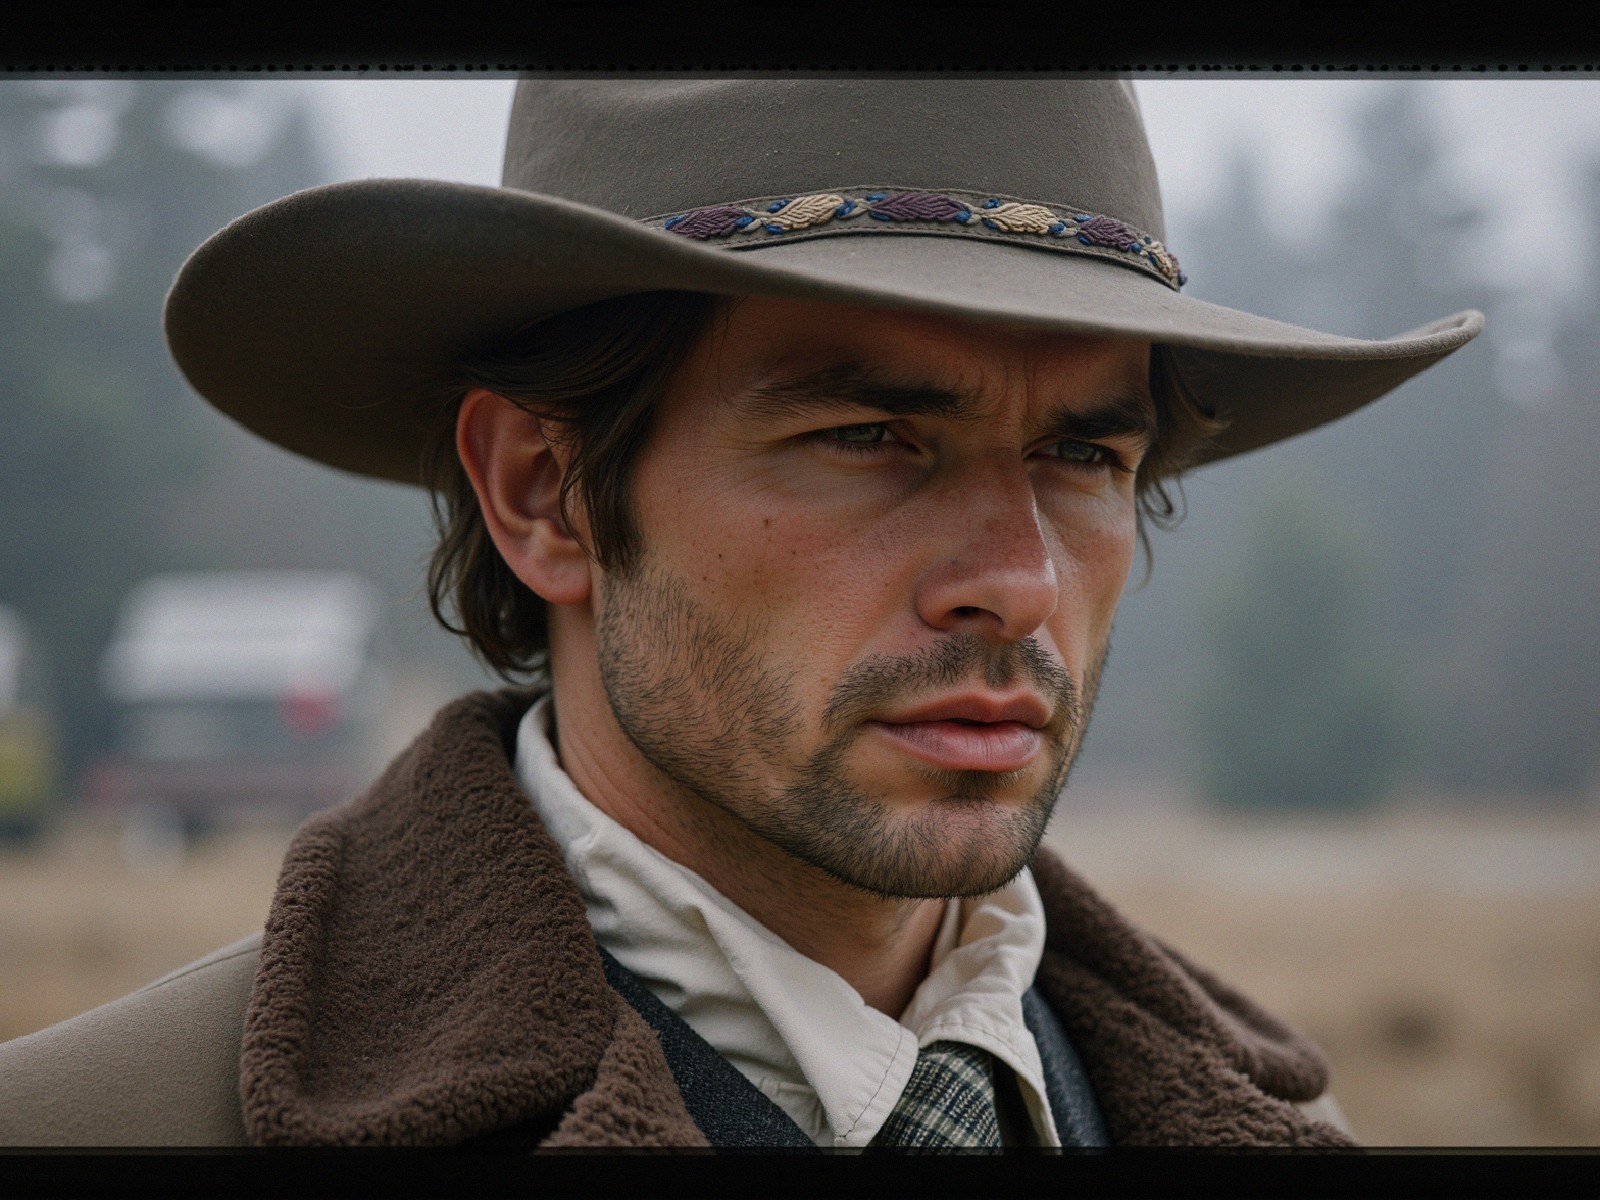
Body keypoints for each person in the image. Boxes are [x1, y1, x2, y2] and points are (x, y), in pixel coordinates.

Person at [0, 79, 1480, 1148]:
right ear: (545, 493)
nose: (1021, 582)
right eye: (870, 437)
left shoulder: (1274, 1127)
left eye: (1085, 455)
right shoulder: (109, 1128)